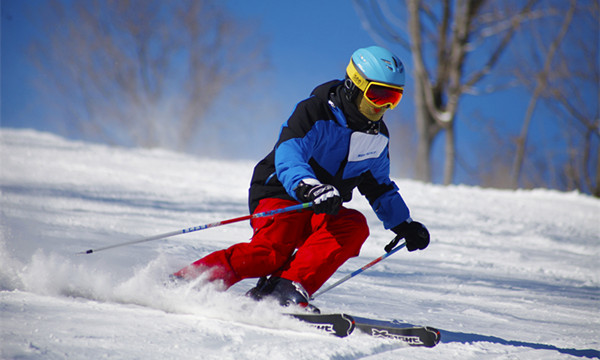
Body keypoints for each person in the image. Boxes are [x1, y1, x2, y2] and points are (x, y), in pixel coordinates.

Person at [173, 45, 430, 313]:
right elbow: (289, 153)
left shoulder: (377, 137)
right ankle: (189, 282)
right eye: (378, 96)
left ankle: (284, 290)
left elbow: (379, 186)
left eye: (394, 98)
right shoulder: (316, 111)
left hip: (323, 206)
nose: (385, 106)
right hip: (282, 192)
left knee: (352, 225)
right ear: (355, 86)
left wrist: (404, 224)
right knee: (271, 254)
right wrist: (309, 187)